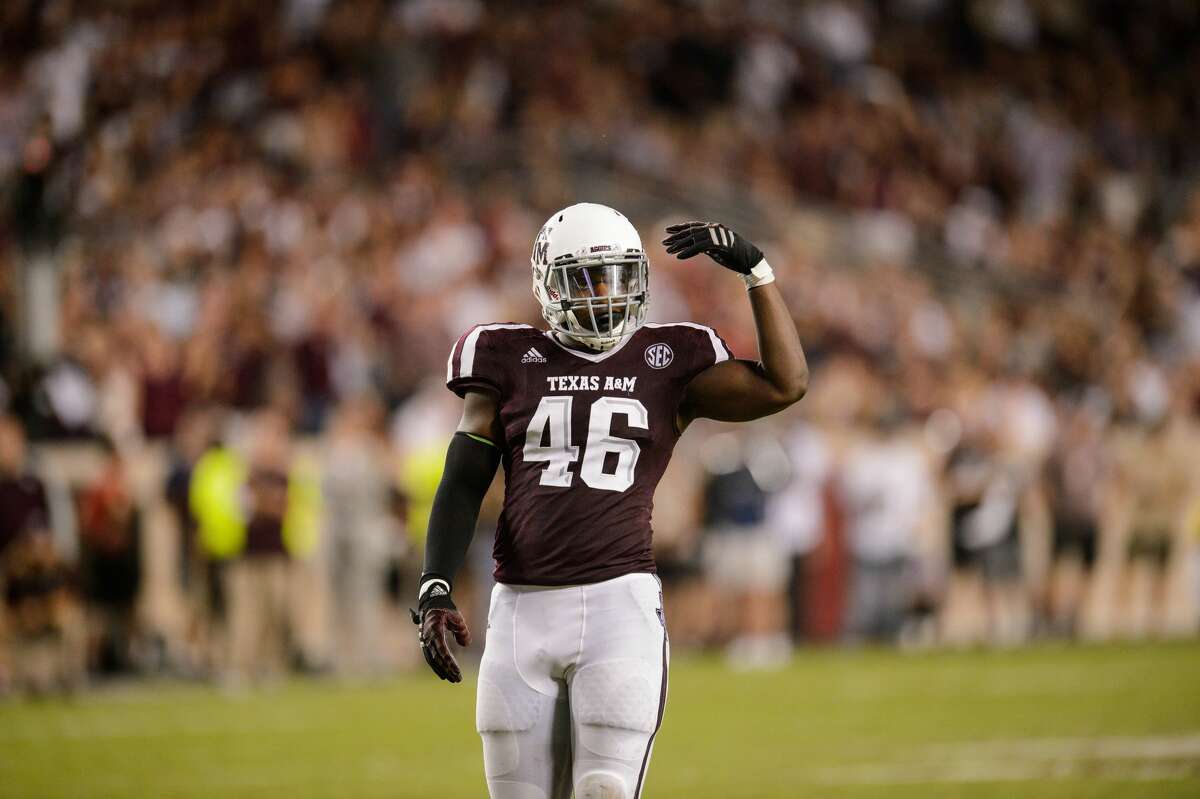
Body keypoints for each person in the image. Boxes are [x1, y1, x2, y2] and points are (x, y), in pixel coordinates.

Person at [411, 204, 808, 799]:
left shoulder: (670, 358)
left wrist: (757, 271)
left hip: (618, 606)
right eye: (586, 279)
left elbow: (786, 382)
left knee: (604, 791)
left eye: (617, 276)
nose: (604, 294)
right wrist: (435, 583)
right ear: (547, 281)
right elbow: (464, 479)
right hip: (522, 607)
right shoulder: (504, 355)